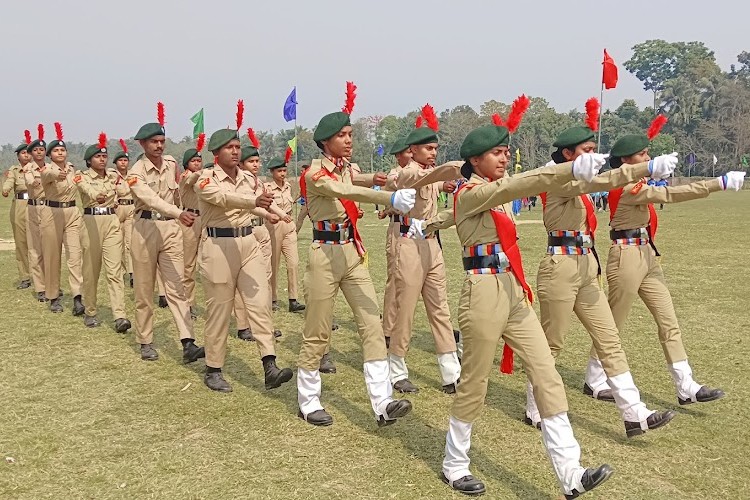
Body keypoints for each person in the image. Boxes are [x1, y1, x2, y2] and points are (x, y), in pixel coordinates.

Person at [428, 122, 614, 498]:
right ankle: (455, 464)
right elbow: (516, 186)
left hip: (513, 288)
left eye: (506, 151)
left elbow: (509, 186)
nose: (505, 156)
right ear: (475, 160)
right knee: (474, 384)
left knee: (546, 371)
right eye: (497, 153)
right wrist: (568, 168)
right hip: (482, 291)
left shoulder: (484, 192)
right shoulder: (470, 192)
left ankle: (571, 473)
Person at [530, 101, 676, 438]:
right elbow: (597, 183)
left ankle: (634, 412)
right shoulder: (559, 182)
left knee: (609, 339)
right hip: (560, 266)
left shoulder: (579, 181)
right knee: (552, 344)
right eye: (587, 150)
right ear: (568, 154)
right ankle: (535, 405)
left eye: (596, 149)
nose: (594, 155)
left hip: (585, 266)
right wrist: (645, 167)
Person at [583, 122, 743, 406]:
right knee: (613, 325)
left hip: (646, 255)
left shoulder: (637, 183)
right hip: (626, 257)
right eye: (642, 155)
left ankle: (686, 385)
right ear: (625, 161)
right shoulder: (627, 187)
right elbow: (669, 194)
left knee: (668, 320)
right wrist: (717, 183)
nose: (647, 159)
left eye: (648, 154)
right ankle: (594, 379)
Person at [296, 82, 417, 427]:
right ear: (325, 142)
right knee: (318, 330)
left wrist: (373, 179)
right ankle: (308, 400)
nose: (349, 139)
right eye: (343, 135)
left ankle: (382, 402)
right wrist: (386, 197)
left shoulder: (345, 167)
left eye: (350, 133)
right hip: (325, 253)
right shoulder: (315, 173)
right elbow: (342, 188)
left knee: (371, 324)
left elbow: (353, 178)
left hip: (351, 250)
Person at [195, 123, 294, 393]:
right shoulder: (206, 178)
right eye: (230, 148)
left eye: (238, 147)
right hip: (218, 245)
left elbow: (261, 198)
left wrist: (274, 212)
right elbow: (224, 198)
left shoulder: (249, 178)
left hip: (248, 242)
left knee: (260, 304)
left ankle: (269, 365)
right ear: (217, 152)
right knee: (219, 311)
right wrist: (256, 205)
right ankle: (214, 368)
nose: (236, 152)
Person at [385, 105, 462, 394]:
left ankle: (450, 372)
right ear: (412, 150)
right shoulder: (407, 173)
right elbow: (420, 180)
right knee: (405, 307)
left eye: (435, 149)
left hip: (431, 243)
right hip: (407, 243)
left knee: (440, 307)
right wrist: (450, 170)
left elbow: (437, 182)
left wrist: (449, 183)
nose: (432, 153)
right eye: (427, 149)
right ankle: (397, 369)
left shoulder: (429, 172)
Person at [126, 103, 204, 363]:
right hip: (145, 228)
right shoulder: (135, 173)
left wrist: (181, 212)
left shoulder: (171, 164)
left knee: (177, 286)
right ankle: (145, 340)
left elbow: (179, 191)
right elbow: (149, 199)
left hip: (170, 229)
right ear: (142, 144)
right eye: (153, 142)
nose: (159, 146)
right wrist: (177, 212)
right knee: (145, 291)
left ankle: (188, 342)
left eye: (161, 141)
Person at [234, 130, 286, 341]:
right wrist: (268, 213)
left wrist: (280, 214)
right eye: (250, 161)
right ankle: (243, 325)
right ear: (241, 164)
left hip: (262, 229)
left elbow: (269, 202)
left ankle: (263, 326)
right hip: (246, 230)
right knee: (243, 280)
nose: (255, 165)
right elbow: (250, 205)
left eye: (257, 161)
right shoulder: (238, 183)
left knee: (265, 278)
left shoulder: (260, 183)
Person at [76, 134, 131, 332]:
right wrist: (98, 195)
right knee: (91, 271)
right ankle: (90, 311)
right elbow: (87, 190)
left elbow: (125, 190)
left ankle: (120, 315)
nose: (102, 159)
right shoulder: (82, 176)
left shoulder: (113, 175)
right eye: (98, 156)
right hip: (91, 221)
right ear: (89, 160)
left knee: (115, 270)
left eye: (104, 156)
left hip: (112, 221)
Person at [40, 122, 84, 315]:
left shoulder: (73, 169)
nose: (60, 153)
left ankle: (77, 296)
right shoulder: (47, 170)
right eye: (56, 150)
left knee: (75, 256)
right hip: (52, 213)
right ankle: (53, 296)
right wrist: (56, 173)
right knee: (52, 256)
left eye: (62, 150)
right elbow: (48, 175)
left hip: (72, 213)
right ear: (50, 155)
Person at [265, 150, 305, 313]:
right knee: (274, 263)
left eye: (284, 170)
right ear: (272, 172)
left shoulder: (288, 186)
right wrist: (280, 215)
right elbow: (268, 205)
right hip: (274, 225)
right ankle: (273, 298)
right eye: (279, 171)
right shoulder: (267, 188)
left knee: (293, 263)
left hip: (289, 226)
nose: (282, 174)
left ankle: (293, 299)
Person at [179, 134, 207, 319]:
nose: (197, 163)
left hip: (203, 220)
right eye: (194, 161)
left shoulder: (202, 177)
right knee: (188, 265)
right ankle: (187, 303)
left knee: (205, 263)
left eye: (199, 160)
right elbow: (190, 181)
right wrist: (203, 171)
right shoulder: (186, 176)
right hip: (188, 220)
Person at [2, 136, 32, 289]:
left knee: (40, 242)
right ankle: (25, 276)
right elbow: (8, 182)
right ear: (18, 156)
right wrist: (6, 190)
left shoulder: (39, 169)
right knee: (21, 242)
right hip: (20, 205)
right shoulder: (14, 170)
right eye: (23, 153)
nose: (27, 155)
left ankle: (43, 276)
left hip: (37, 205)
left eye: (29, 152)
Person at [23, 125, 48, 301]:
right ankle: (40, 287)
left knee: (50, 249)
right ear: (31, 153)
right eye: (36, 150)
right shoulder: (28, 169)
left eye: (42, 149)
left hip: (49, 208)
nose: (39, 152)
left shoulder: (51, 167)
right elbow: (32, 183)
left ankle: (52, 285)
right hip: (33, 208)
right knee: (35, 248)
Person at [113, 140, 135, 288]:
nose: (123, 163)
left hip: (131, 208)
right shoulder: (112, 176)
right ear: (116, 163)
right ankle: (119, 272)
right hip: (117, 209)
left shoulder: (133, 175)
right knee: (117, 242)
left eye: (125, 160)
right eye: (120, 160)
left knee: (130, 242)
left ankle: (132, 272)